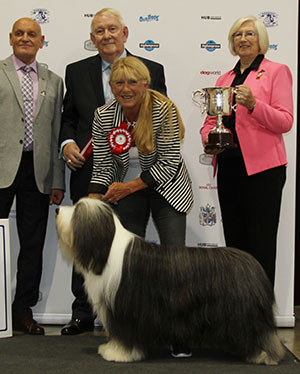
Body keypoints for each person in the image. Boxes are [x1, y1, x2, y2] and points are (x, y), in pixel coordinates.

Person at [59, 8, 167, 335]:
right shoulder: (75, 72)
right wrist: (67, 144)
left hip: (147, 175)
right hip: (95, 170)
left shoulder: (153, 69)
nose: (106, 36)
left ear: (125, 33)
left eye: (112, 29)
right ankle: (84, 314)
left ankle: (146, 319)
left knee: (137, 256)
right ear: (92, 39)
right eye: (100, 31)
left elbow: (162, 123)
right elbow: (68, 117)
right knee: (89, 243)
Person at [88, 56, 194, 357]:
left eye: (132, 82)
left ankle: (179, 334)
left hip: (167, 188)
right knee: (128, 269)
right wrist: (93, 200)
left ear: (145, 84)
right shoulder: (104, 115)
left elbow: (170, 161)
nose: (126, 88)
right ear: (111, 87)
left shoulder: (164, 110)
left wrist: (129, 186)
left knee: (176, 265)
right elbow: (103, 166)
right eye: (119, 83)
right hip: (127, 191)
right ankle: (132, 335)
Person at [201, 15, 293, 286]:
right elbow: (209, 122)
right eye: (238, 35)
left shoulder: (277, 71)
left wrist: (254, 105)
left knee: (261, 245)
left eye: (250, 34)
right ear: (232, 42)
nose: (243, 39)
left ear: (261, 40)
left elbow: (285, 121)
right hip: (229, 168)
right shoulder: (224, 78)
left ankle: (261, 314)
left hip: (263, 170)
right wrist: (210, 138)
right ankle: (238, 312)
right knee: (235, 248)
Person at [0, 18, 65, 335]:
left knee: (32, 245)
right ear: (11, 38)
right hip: (0, 168)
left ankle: (22, 312)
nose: (25, 38)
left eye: (32, 34)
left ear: (42, 41)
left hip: (37, 172)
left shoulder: (54, 80)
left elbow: (55, 135)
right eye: (20, 33)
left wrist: (57, 180)